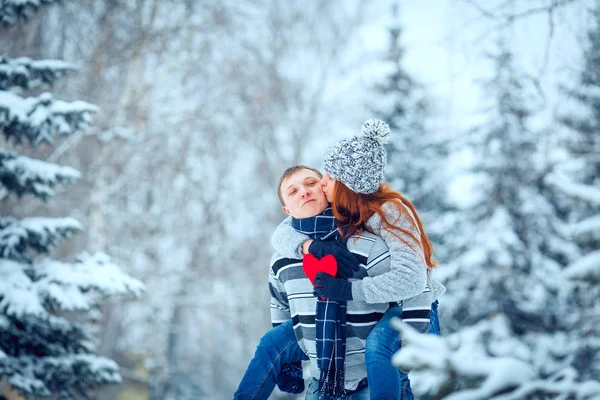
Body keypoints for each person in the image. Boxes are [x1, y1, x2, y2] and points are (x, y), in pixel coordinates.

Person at [270, 118, 445, 399]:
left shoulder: (390, 213)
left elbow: (412, 280)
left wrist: (348, 290)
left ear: (347, 184)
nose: (322, 184)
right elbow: (282, 233)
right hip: (391, 311)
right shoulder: (348, 211)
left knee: (377, 347)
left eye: (328, 178)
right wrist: (308, 247)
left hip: (418, 309)